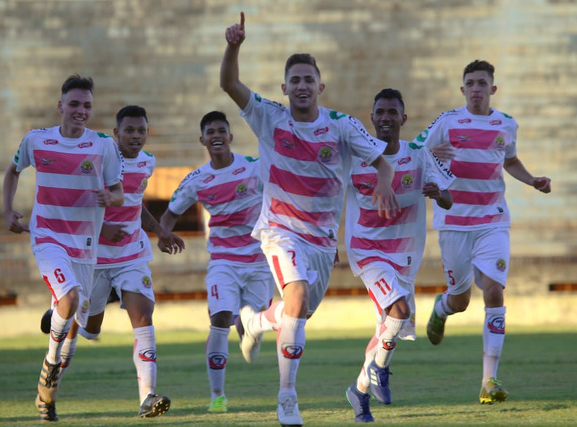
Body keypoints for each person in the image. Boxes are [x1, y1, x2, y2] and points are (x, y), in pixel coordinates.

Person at [220, 12, 399, 426]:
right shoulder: (270, 116)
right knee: (296, 299)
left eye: (308, 80)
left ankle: (252, 321)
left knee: (293, 313)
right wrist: (234, 46)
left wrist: (385, 182)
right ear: (284, 88)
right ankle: (287, 399)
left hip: (320, 241)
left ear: (321, 86)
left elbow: (381, 160)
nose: (301, 86)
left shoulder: (341, 126)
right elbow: (229, 84)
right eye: (294, 80)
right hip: (280, 229)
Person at [415, 60, 552, 404]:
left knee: (493, 292)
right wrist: (431, 152)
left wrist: (532, 179)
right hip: (454, 223)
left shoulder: (506, 124)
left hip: (493, 221)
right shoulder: (447, 122)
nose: (476, 89)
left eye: (482, 83)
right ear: (462, 90)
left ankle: (488, 380)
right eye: (470, 83)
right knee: (461, 299)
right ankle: (442, 308)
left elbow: (509, 160)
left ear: (493, 89)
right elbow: (413, 153)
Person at [2, 74, 124, 422]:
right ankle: (50, 362)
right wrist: (8, 209)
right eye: (74, 104)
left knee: (73, 325)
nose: (81, 111)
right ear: (60, 106)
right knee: (69, 300)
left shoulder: (103, 145)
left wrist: (109, 197)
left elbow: (119, 192)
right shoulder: (37, 140)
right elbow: (12, 171)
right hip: (47, 236)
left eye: (87, 105)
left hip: (84, 246)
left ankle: (47, 398)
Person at [54, 105, 184, 419]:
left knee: (143, 315)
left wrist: (159, 231)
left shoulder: (148, 162)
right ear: (116, 133)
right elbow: (77, 204)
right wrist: (103, 228)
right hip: (94, 258)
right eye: (129, 130)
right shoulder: (98, 160)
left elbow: (136, 204)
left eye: (141, 130)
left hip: (132, 254)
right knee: (90, 327)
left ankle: (147, 398)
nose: (136, 136)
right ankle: (55, 366)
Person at [344, 89, 454, 423]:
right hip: (366, 250)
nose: (386, 117)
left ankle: (359, 391)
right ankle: (379, 369)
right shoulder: (353, 158)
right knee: (399, 310)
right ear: (372, 117)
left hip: (404, 256)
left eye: (393, 112)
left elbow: (449, 200)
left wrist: (438, 193)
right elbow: (329, 194)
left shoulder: (419, 155)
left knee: (386, 329)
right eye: (381, 112)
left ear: (403, 119)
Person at [159, 110, 274, 414]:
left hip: (260, 261)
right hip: (223, 261)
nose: (217, 136)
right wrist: (163, 234)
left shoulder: (253, 168)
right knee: (220, 318)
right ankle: (217, 396)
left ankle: (251, 331)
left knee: (252, 319)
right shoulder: (197, 179)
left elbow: (282, 193)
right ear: (203, 140)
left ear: (230, 136)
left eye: (222, 130)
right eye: (210, 132)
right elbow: (170, 212)